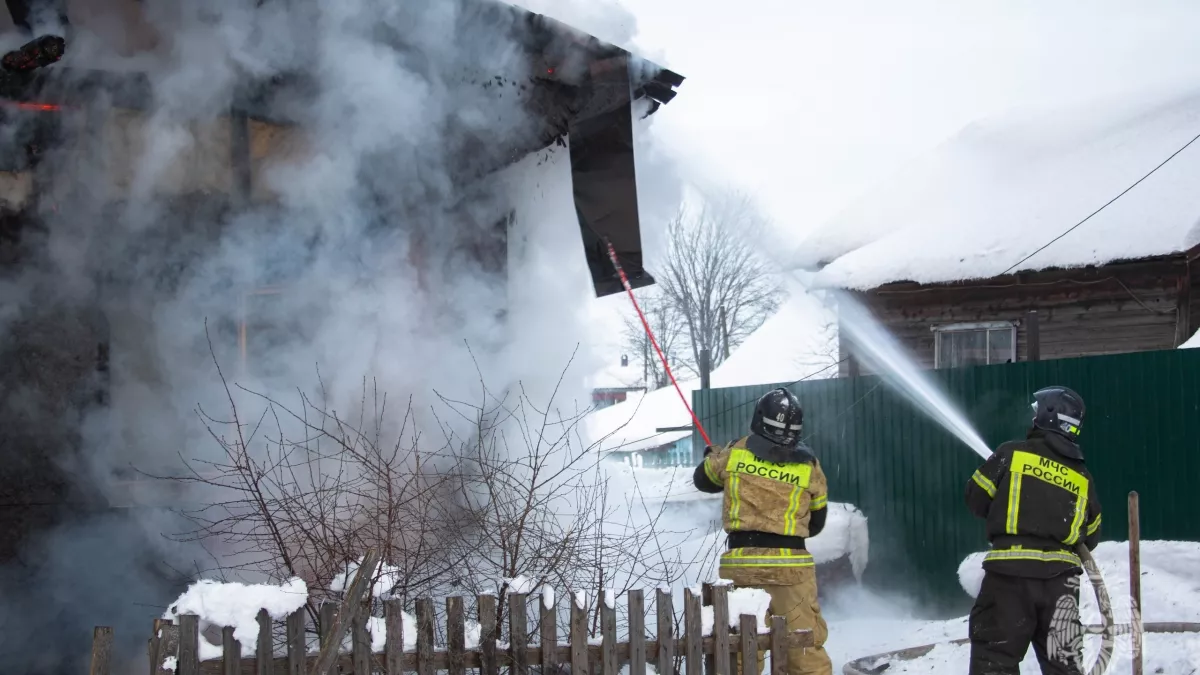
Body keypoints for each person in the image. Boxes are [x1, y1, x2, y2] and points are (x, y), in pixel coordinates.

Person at [692, 387, 832, 675]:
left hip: (742, 565)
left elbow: (702, 480)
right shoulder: (809, 465)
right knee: (802, 644)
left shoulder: (735, 453)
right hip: (792, 569)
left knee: (741, 647)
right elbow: (816, 524)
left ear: (760, 418)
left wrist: (714, 455)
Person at [965, 386, 1103, 675]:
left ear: (1048, 415)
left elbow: (975, 499)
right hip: (1060, 589)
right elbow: (1091, 536)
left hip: (1009, 581)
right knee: (1063, 667)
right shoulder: (1083, 478)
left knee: (995, 660)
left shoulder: (1011, 454)